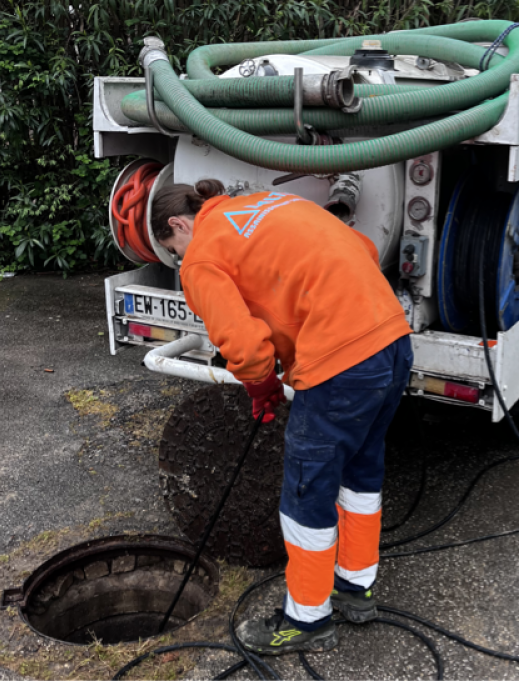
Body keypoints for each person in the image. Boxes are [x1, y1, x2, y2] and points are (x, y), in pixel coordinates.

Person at [152, 179, 413, 655]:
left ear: (178, 224)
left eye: (173, 249)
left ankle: (307, 620)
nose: (179, 259)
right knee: (360, 472)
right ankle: (356, 591)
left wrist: (263, 385)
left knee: (305, 492)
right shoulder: (271, 203)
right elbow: (363, 249)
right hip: (391, 341)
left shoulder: (203, 255)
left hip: (340, 365)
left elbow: (245, 348)